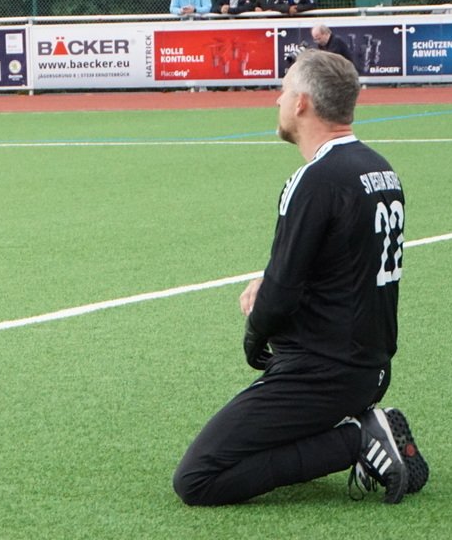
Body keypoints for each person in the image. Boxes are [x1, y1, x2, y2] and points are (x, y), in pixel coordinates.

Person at [173, 49, 428, 507]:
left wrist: (255, 336)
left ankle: (358, 440)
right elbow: (337, 265)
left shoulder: (316, 179)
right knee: (253, 444)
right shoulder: (379, 168)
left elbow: (281, 295)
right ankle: (355, 428)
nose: (277, 99)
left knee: (197, 480)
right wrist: (271, 282)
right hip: (365, 367)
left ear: (302, 103)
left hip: (321, 374)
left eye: (284, 89)